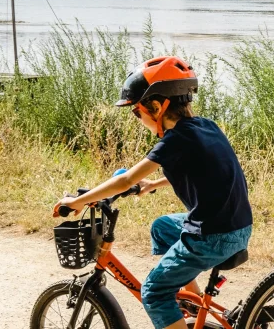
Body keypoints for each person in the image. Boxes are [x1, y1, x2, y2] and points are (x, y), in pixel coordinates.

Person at [54, 56, 253, 329]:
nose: (137, 119)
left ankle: (176, 308)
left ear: (157, 106)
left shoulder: (174, 140)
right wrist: (152, 185)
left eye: (137, 112)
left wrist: (77, 202)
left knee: (154, 292)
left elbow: (125, 180)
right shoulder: (206, 127)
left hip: (212, 236)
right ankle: (194, 307)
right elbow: (204, 170)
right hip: (238, 226)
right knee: (162, 227)